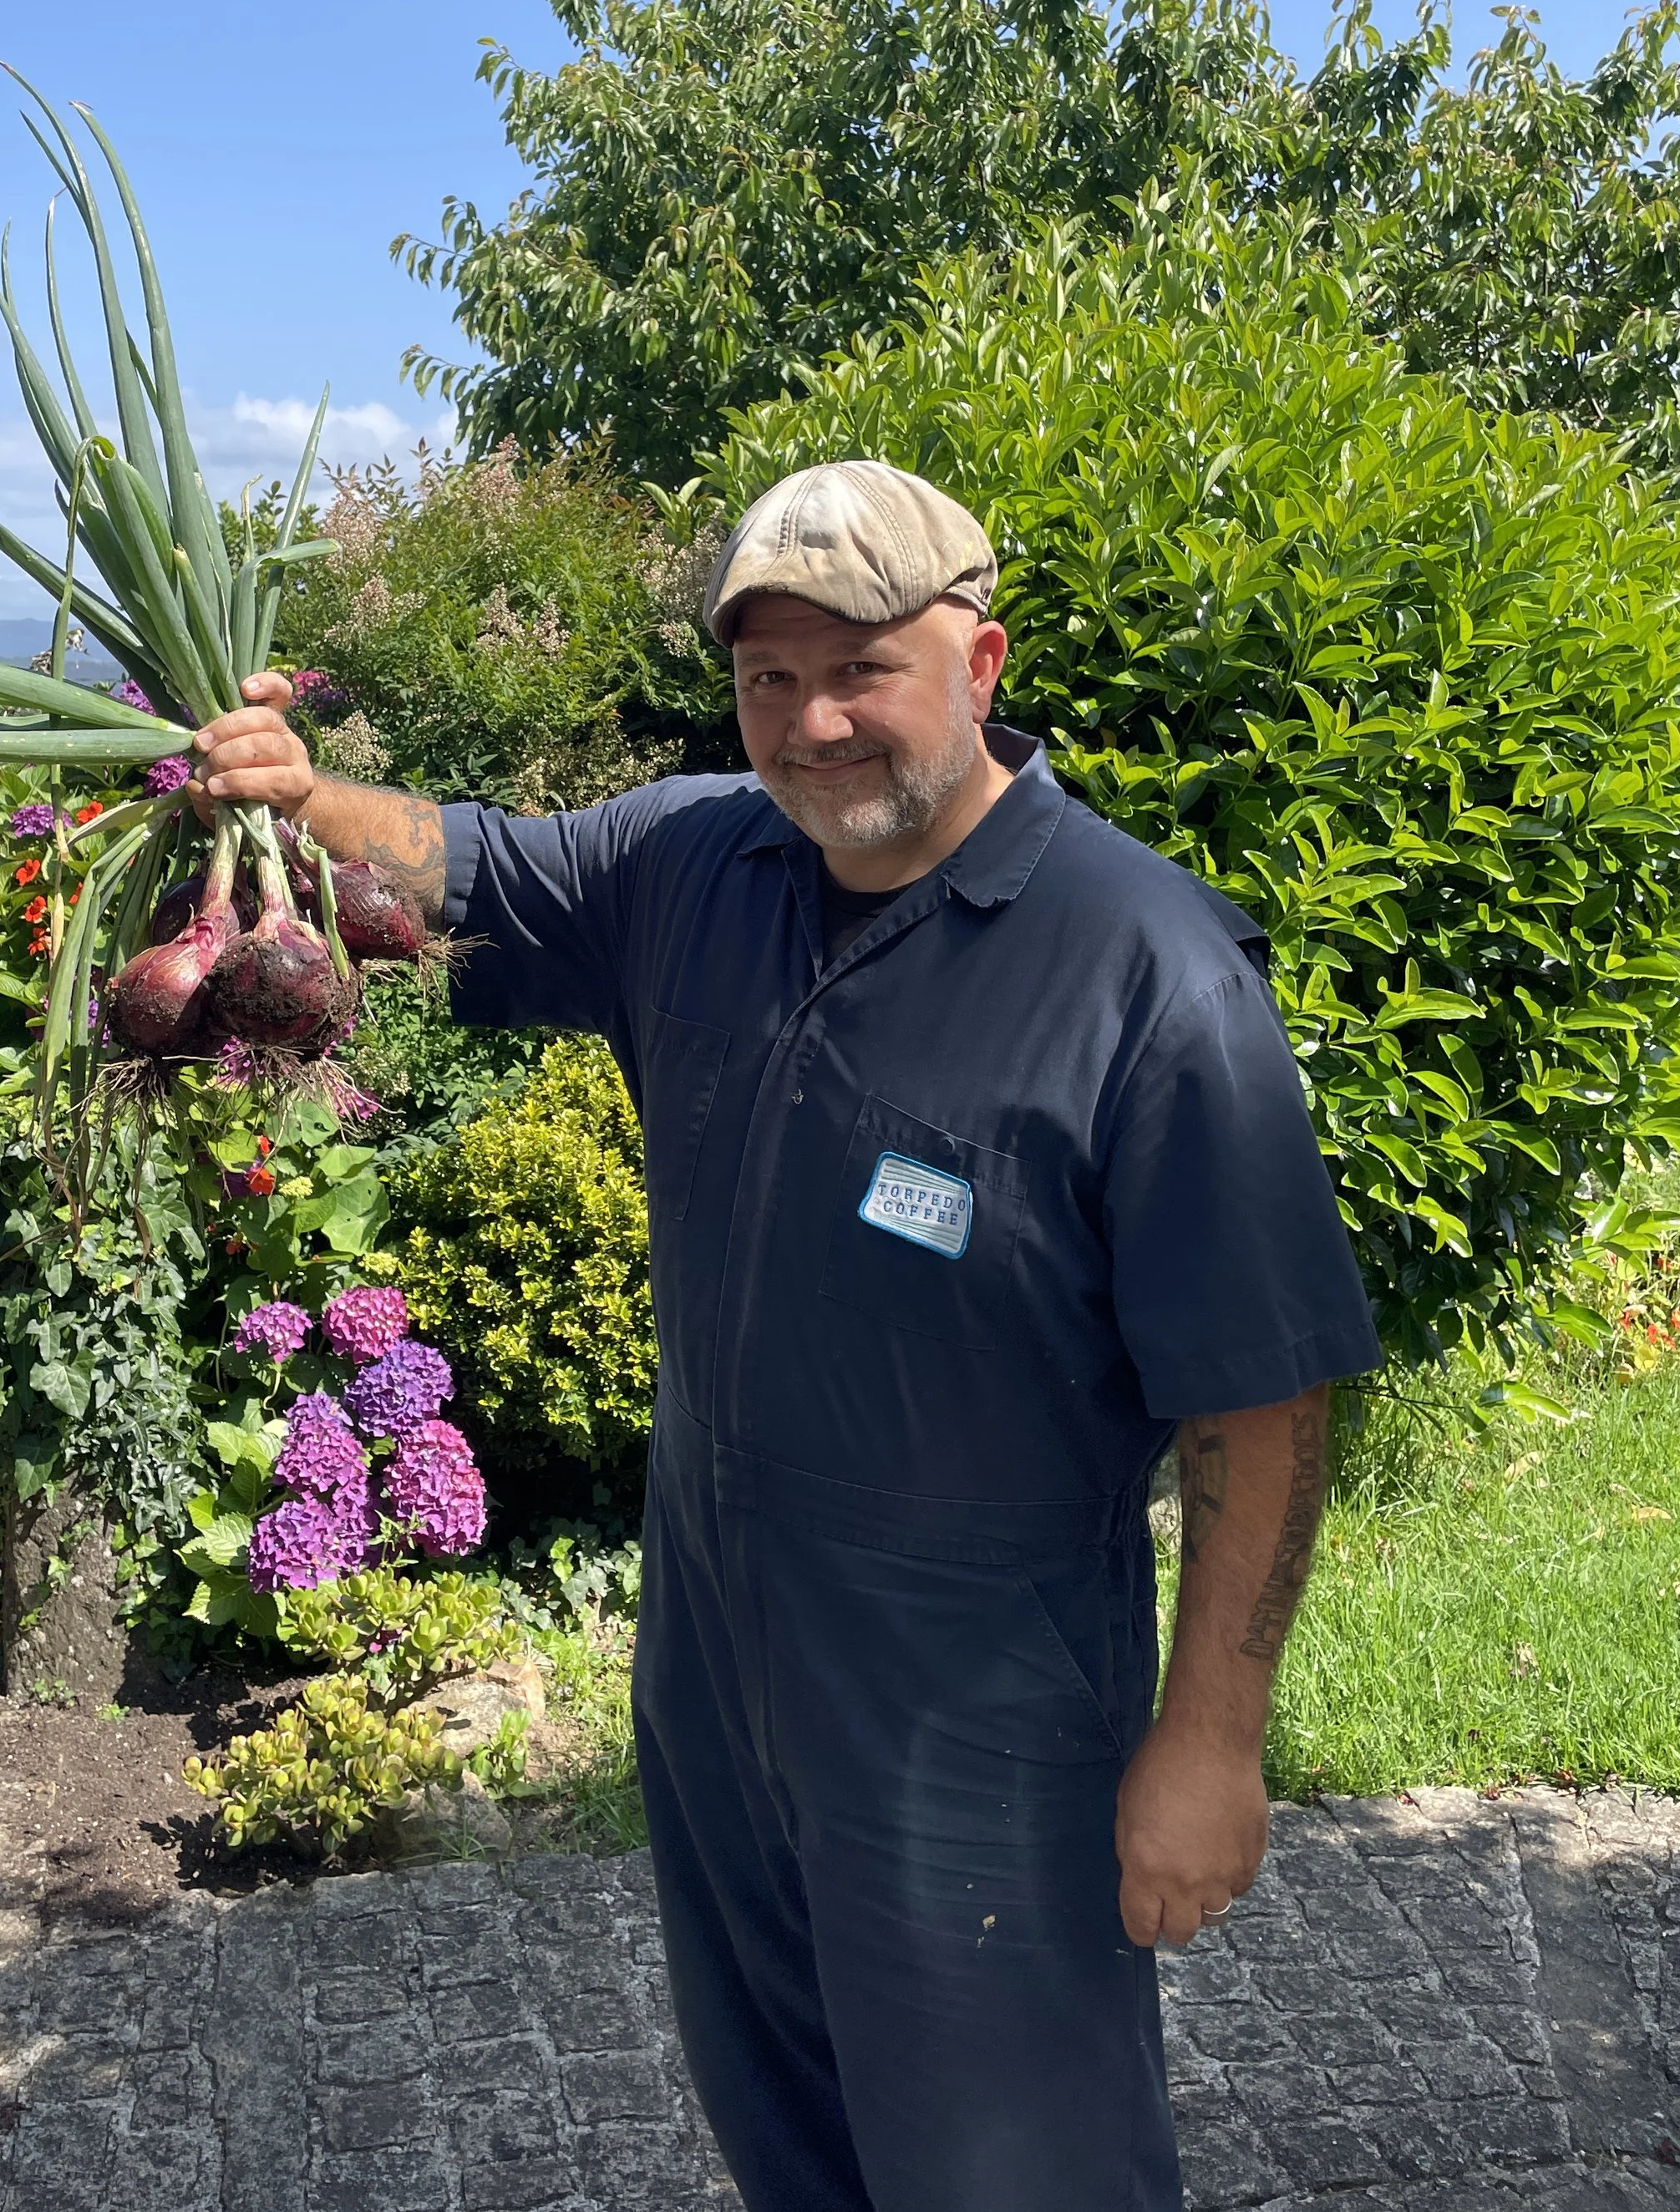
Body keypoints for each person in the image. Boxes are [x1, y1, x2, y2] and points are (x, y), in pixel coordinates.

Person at [193, 459, 1383, 2212]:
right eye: (767, 677)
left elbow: (1262, 1392)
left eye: (860, 668)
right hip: (713, 1651)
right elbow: (470, 861)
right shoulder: (697, 860)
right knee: (785, 2127)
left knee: (1008, 2162)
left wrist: (1208, 1736)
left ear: (976, 666)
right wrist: (303, 799)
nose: (811, 721)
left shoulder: (1141, 969)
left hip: (971, 1694)